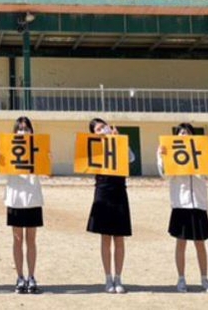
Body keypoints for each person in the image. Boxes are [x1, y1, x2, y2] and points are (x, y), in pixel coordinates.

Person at [156, 123, 208, 294]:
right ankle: (181, 278)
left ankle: (204, 278)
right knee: (180, 243)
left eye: (187, 132)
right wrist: (161, 157)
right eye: (181, 132)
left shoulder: (201, 153)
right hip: (180, 204)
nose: (184, 135)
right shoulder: (171, 153)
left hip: (198, 203)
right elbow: (165, 174)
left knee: (200, 243)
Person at [85, 118, 135, 294]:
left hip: (119, 190)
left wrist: (119, 139)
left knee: (119, 238)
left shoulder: (118, 143)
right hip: (103, 191)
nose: (103, 130)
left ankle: (118, 278)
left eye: (104, 127)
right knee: (105, 238)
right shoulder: (93, 147)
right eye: (99, 129)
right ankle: (108, 278)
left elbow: (130, 158)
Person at [0, 116, 44, 294]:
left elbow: (46, 172)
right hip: (15, 199)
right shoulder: (8, 149)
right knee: (17, 240)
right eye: (20, 128)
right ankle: (20, 277)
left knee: (31, 240)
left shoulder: (37, 147)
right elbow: (0, 175)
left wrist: (47, 158)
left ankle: (31, 277)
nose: (23, 131)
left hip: (32, 199)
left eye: (26, 128)